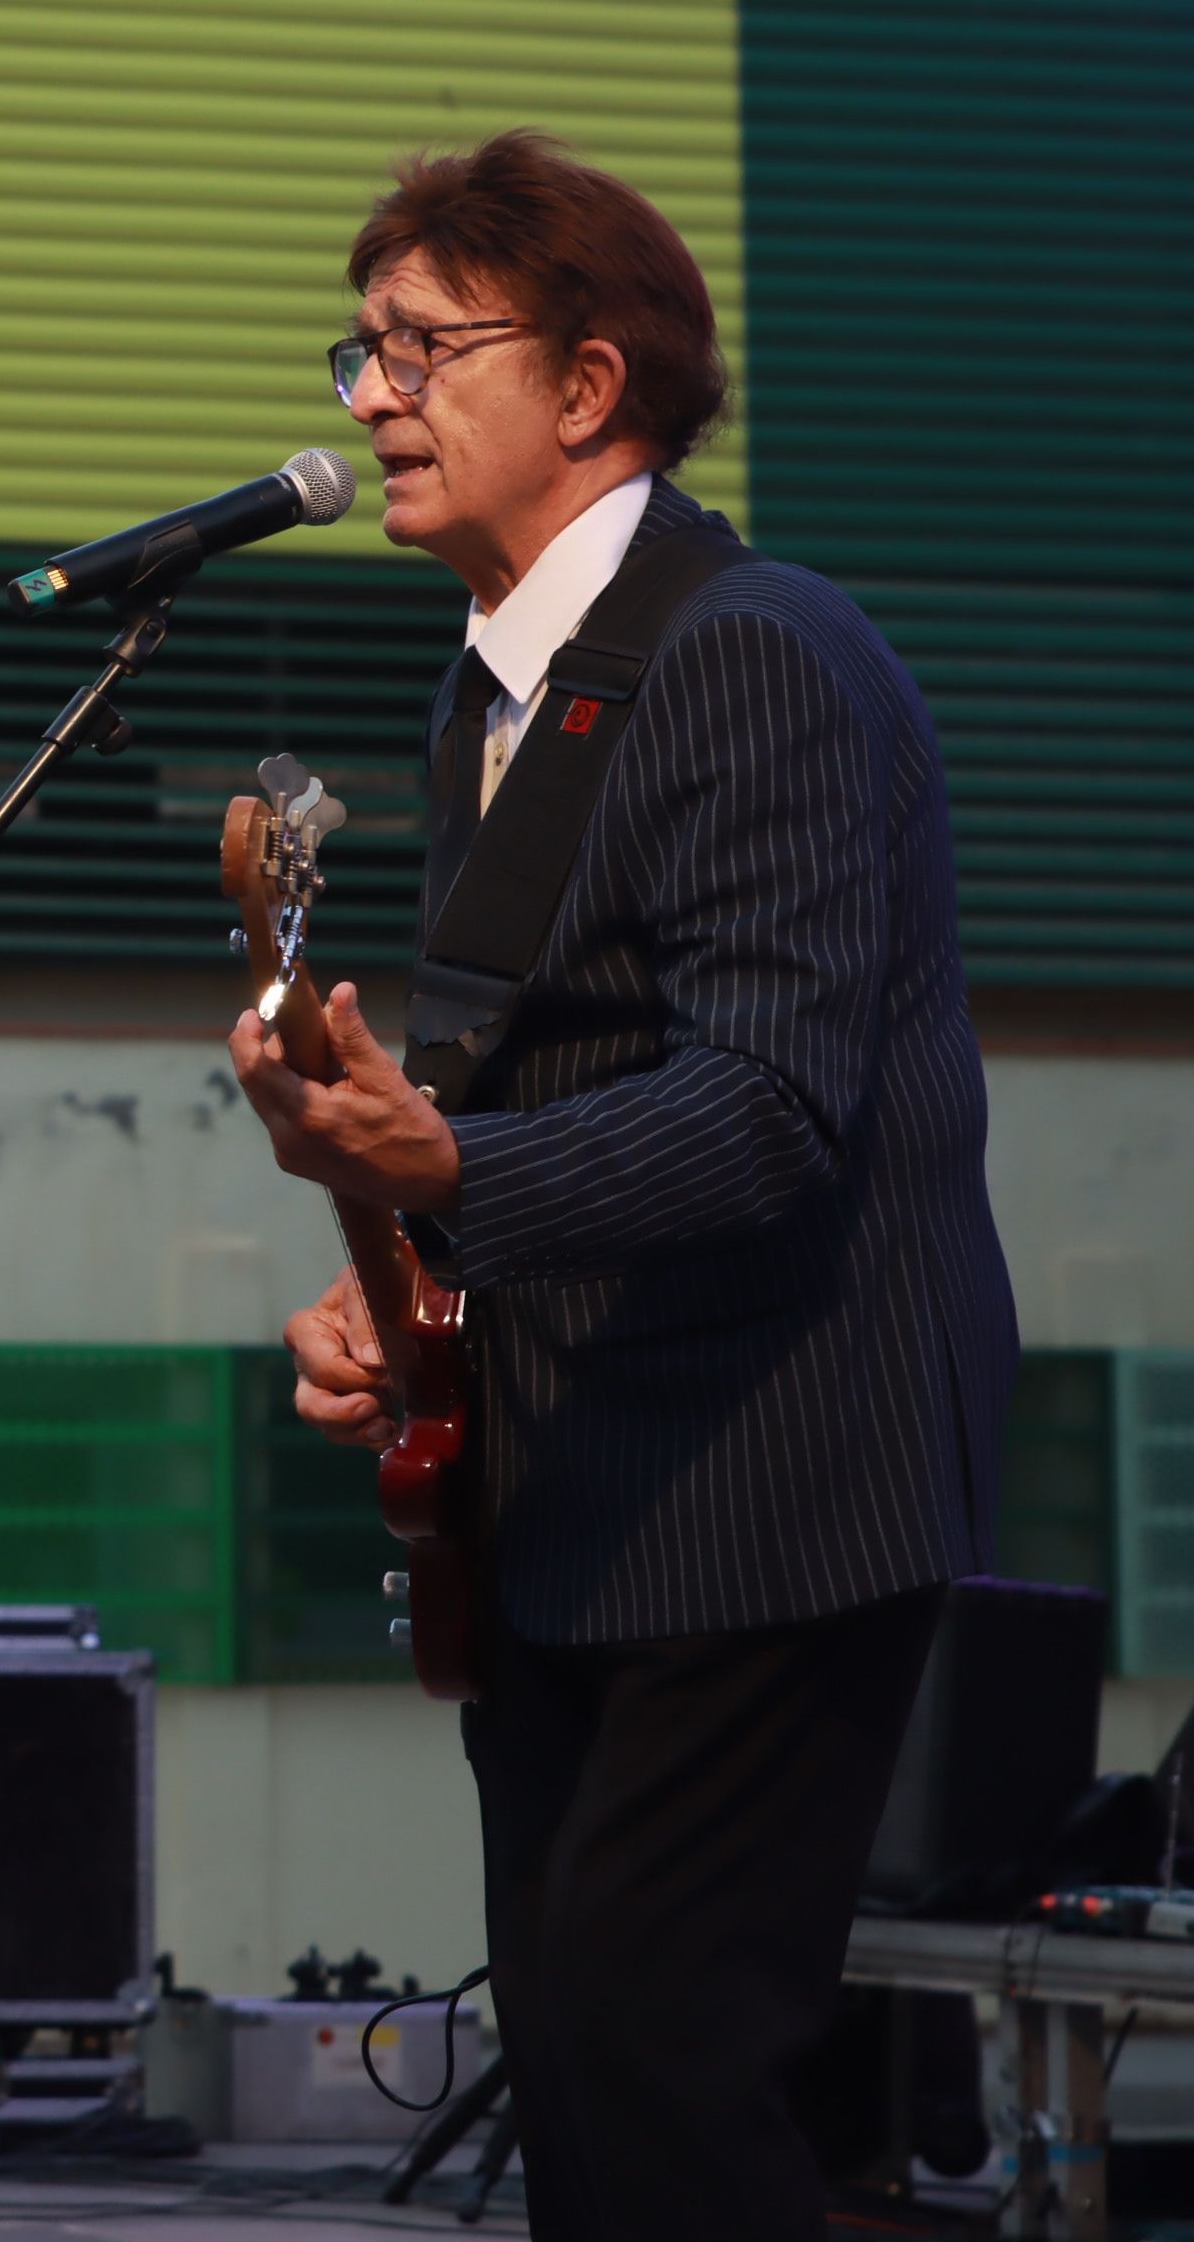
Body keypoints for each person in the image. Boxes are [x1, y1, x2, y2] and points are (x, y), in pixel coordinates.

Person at [229, 132, 1013, 2241]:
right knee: (582, 2074)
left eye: (415, 348)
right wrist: (400, 1278)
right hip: (578, 1479)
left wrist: (446, 1166)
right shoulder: (493, 682)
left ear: (585, 385)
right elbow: (541, 1090)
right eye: (357, 351)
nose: (365, 397)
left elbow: (764, 1105)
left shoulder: (750, 648)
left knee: (654, 2065)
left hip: (764, 1474)